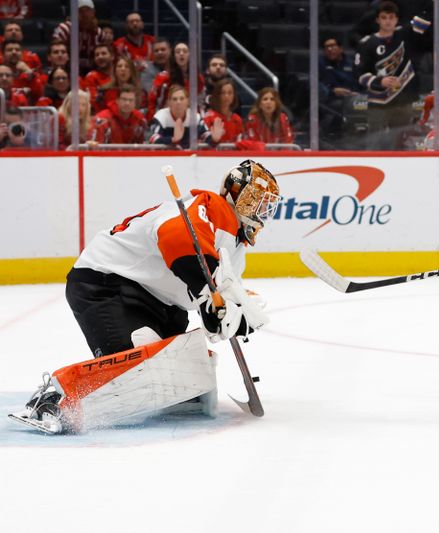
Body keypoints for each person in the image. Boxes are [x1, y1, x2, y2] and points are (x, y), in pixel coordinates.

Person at [9, 160, 280, 434]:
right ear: (233, 194)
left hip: (161, 304)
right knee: (141, 364)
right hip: (106, 284)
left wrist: (233, 313)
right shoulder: (209, 208)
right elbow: (175, 237)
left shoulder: (236, 245)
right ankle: (55, 399)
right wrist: (205, 294)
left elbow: (221, 294)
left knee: (182, 370)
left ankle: (180, 396)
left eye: (265, 205)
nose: (260, 210)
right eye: (254, 200)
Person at [355, 0, 432, 150]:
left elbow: (426, 17)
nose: (388, 21)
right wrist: (379, 81)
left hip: (403, 100)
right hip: (379, 103)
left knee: (400, 143)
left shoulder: (406, 34)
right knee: (375, 143)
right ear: (377, 20)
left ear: (397, 19)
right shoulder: (368, 43)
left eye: (391, 17)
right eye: (384, 17)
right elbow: (359, 73)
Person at [149, 84, 221, 149]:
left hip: (188, 158)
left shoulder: (195, 117)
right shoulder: (161, 116)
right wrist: (173, 139)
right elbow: (153, 139)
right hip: (165, 158)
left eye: (182, 98)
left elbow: (205, 135)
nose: (178, 102)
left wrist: (214, 139)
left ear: (187, 101)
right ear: (169, 102)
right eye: (174, 99)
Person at [148, 42, 205, 120]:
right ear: (173, 56)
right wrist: (154, 119)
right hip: (167, 118)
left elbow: (200, 103)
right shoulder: (162, 78)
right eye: (178, 52)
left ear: (189, 55)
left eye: (185, 51)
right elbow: (152, 101)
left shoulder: (198, 79)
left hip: (189, 119)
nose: (181, 54)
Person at [51, 0, 102, 75]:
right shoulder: (65, 29)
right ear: (74, 12)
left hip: (93, 72)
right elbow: (55, 51)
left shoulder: (98, 32)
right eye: (80, 11)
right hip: (66, 71)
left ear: (93, 12)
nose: (84, 14)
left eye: (87, 10)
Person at [203, 78, 243, 144]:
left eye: (230, 93)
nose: (226, 96)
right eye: (222, 93)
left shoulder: (237, 119)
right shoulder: (208, 117)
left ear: (234, 96)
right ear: (217, 95)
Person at [83, 43, 114, 113]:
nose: (100, 57)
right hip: (102, 115)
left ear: (112, 56)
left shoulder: (119, 74)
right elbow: (94, 102)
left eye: (104, 53)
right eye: (97, 55)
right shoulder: (91, 77)